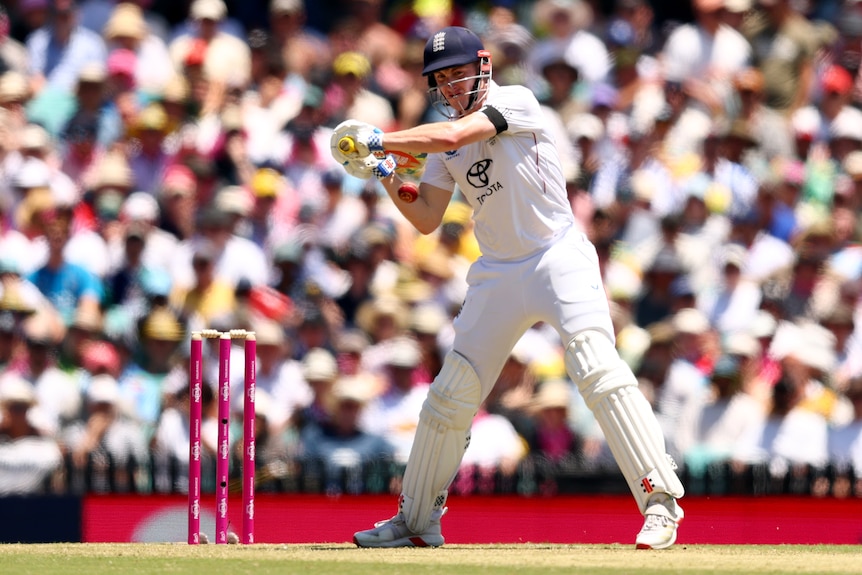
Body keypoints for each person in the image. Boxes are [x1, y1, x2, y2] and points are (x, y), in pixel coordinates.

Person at [330, 26, 685, 550]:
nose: (449, 88)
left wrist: (380, 137)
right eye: (439, 81)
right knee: (451, 396)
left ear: (484, 65)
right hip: (498, 270)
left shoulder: (515, 101)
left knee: (596, 368)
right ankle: (415, 521)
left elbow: (453, 137)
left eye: (456, 75)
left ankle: (660, 503)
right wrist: (384, 169)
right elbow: (426, 217)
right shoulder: (439, 142)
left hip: (558, 254)